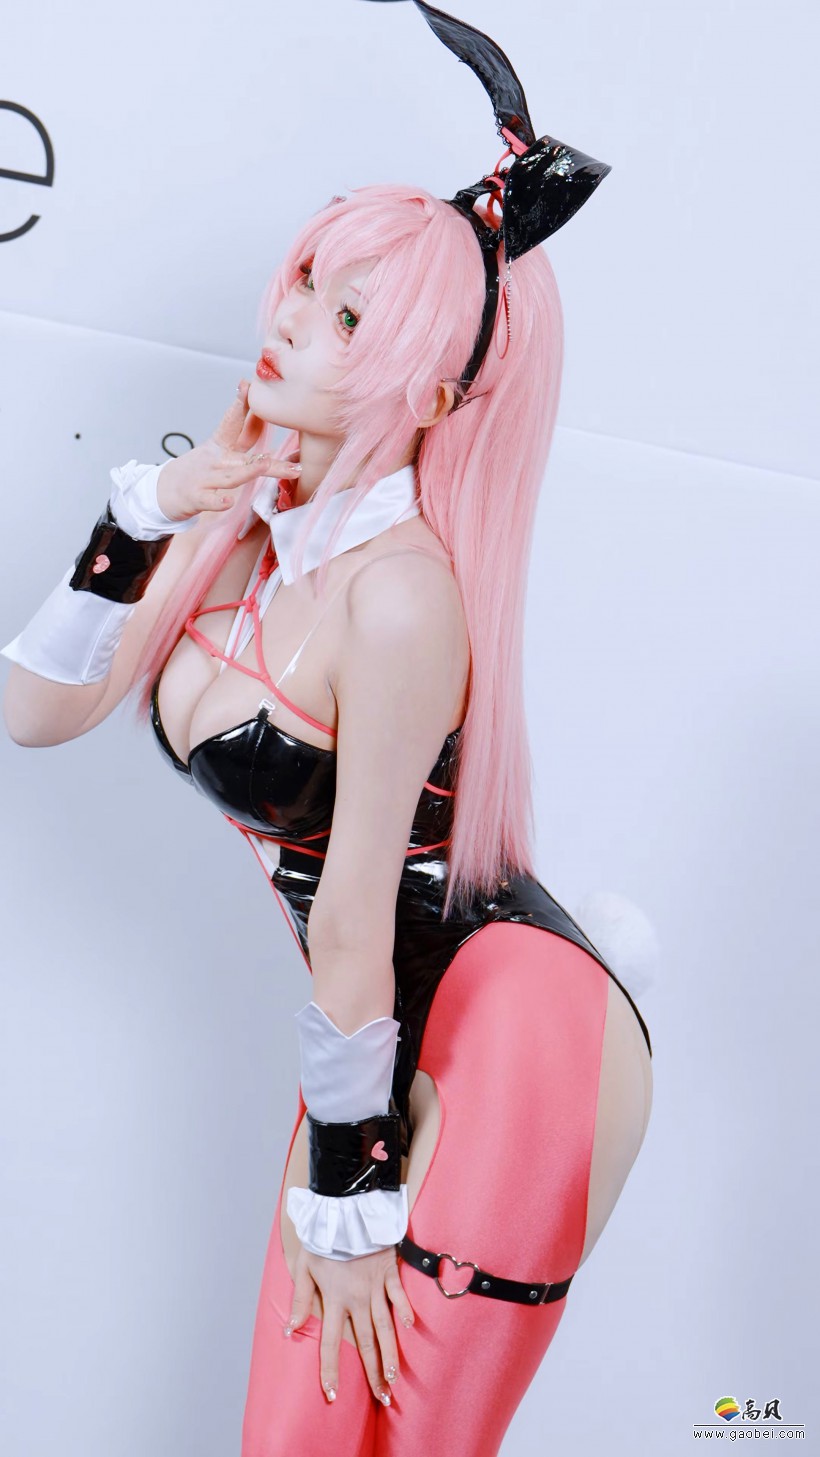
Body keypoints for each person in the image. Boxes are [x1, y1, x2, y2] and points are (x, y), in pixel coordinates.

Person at [1, 5, 654, 1452]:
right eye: (308, 283)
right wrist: (139, 516)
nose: (293, 320)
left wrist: (349, 1198)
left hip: (512, 1025)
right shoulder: (243, 517)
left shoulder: (402, 595)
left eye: (350, 319)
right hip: (368, 1035)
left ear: (432, 393)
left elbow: (356, 910)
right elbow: (38, 710)